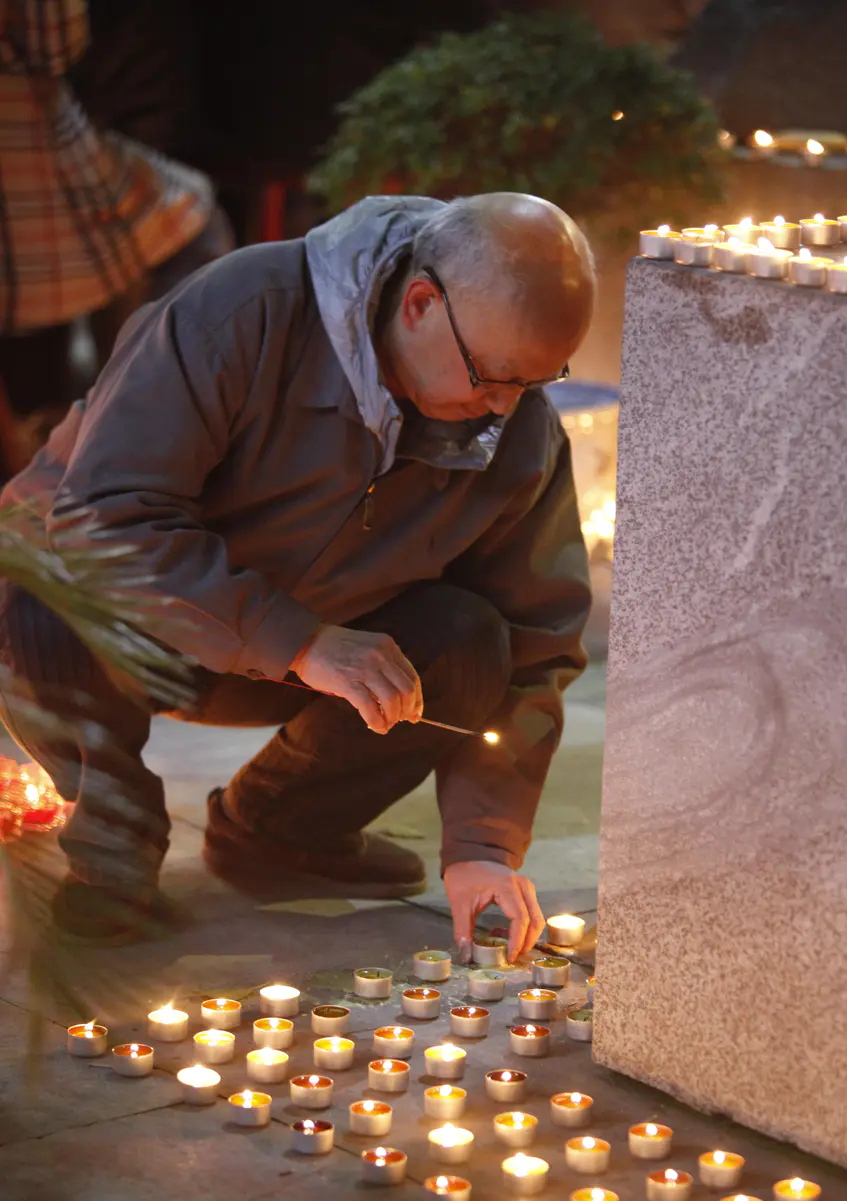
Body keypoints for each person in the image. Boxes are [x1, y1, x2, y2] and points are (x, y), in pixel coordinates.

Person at [0, 191, 596, 958]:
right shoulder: (242, 313)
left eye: (533, 383)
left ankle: (278, 830)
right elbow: (104, 518)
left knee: (471, 640)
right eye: (492, 375)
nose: (503, 408)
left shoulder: (516, 428)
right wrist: (300, 641)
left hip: (294, 661)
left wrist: (483, 845)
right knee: (36, 595)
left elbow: (536, 643)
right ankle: (116, 831)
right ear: (420, 302)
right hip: (116, 629)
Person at [0, 0, 232, 468]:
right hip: (25, 141)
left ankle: (77, 437)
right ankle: (139, 430)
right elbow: (54, 44)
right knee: (190, 227)